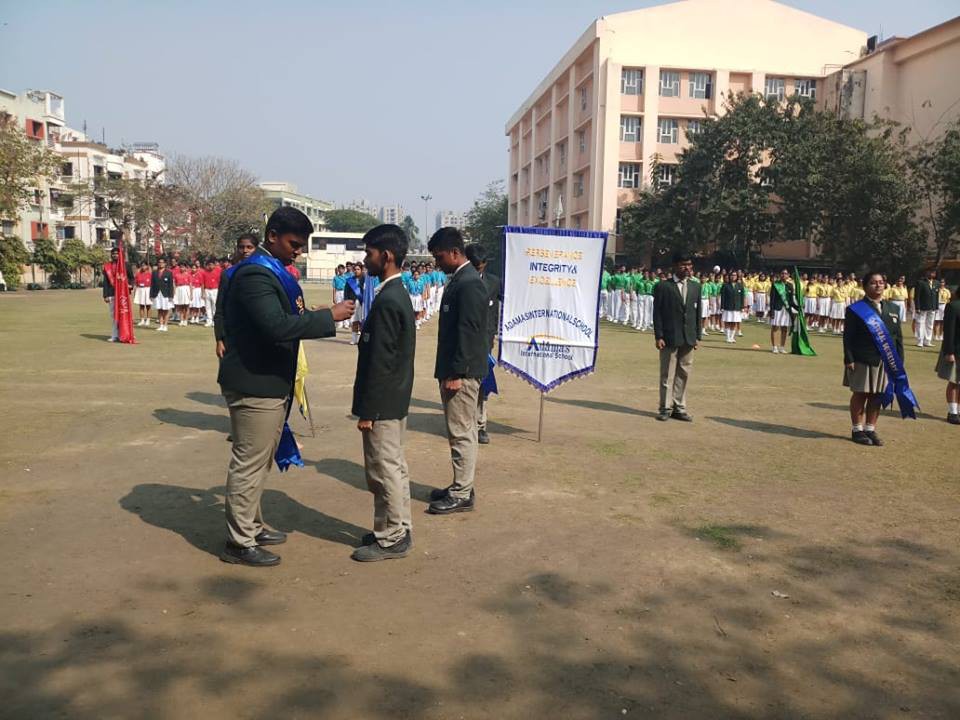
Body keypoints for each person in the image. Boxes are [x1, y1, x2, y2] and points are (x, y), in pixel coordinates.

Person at [217, 207, 355, 567]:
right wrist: (328, 317)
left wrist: (314, 314)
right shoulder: (255, 274)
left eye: (303, 245)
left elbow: (284, 318)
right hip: (255, 382)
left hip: (270, 380)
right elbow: (276, 327)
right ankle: (239, 542)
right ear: (273, 236)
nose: (299, 251)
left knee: (260, 460)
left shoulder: (273, 270)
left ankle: (251, 525)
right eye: (294, 244)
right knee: (250, 462)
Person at [350, 225, 417, 562]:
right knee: (394, 467)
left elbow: (380, 361)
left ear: (386, 256)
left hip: (383, 402)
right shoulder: (394, 293)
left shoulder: (389, 299)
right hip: (392, 399)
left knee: (383, 470)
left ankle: (391, 537)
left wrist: (369, 410)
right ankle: (397, 527)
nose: (365, 259)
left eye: (369, 253)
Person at [426, 227, 489, 514]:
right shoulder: (461, 280)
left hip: (461, 373)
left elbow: (469, 332)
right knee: (461, 430)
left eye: (439, 257)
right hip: (455, 369)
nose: (437, 263)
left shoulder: (469, 283)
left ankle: (462, 492)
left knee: (461, 431)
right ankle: (461, 484)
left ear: (455, 252)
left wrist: (457, 373)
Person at [843, 271, 905, 446]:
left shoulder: (893, 309)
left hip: (886, 360)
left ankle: (870, 429)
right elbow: (848, 337)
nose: (878, 285)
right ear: (865, 286)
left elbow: (898, 338)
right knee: (861, 393)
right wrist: (849, 358)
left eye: (881, 282)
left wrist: (899, 361)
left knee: (878, 395)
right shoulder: (856, 309)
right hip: (863, 358)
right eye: (873, 282)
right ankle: (857, 430)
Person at [653, 252, 702, 422]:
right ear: (675, 266)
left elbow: (697, 313)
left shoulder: (696, 286)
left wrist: (697, 336)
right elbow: (657, 313)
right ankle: (665, 408)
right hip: (669, 336)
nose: (687, 268)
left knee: (684, 372)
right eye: (683, 265)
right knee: (667, 373)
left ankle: (679, 407)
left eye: (689, 265)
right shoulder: (663, 287)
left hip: (688, 337)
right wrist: (659, 336)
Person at [465, 243, 500, 445]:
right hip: (465, 342)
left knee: (482, 383)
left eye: (482, 265)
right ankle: (466, 423)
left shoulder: (494, 282)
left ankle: (480, 425)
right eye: (475, 265)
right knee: (466, 384)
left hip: (485, 341)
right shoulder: (459, 283)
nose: (479, 268)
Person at [214, 233, 259, 358]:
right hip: (234, 335)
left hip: (259, 335)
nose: (245, 250)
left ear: (256, 249)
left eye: (249, 247)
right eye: (241, 247)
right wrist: (219, 339)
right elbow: (220, 308)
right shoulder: (228, 274)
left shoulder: (266, 272)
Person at [936, 285, 960, 424]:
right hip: (955, 351)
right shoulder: (953, 306)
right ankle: (953, 412)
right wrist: (949, 351)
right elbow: (949, 331)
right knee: (954, 382)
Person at [102, 247, 133, 342]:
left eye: (117, 253)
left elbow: (131, 278)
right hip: (112, 293)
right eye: (113, 253)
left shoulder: (126, 265)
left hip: (123, 294)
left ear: (120, 254)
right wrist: (105, 295)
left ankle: (126, 333)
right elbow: (105, 282)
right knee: (114, 315)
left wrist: (130, 285)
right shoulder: (107, 266)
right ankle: (115, 335)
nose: (115, 255)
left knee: (124, 313)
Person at [769, 269, 797, 353]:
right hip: (777, 308)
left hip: (786, 309)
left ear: (788, 275)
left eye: (785, 273)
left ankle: (782, 347)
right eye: (782, 273)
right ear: (780, 275)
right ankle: (774, 347)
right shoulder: (775, 284)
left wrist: (797, 307)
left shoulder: (790, 285)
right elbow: (772, 299)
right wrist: (772, 310)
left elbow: (791, 301)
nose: (784, 275)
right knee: (775, 327)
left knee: (784, 328)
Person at [913, 269, 938, 348]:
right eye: (931, 272)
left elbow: (937, 296)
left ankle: (927, 341)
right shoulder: (920, 282)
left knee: (930, 324)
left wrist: (936, 307)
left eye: (933, 273)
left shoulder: (936, 283)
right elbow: (917, 296)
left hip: (932, 307)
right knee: (920, 323)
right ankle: (920, 341)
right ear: (927, 273)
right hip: (922, 307)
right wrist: (917, 307)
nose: (932, 274)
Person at [150, 257, 175, 332]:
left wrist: (171, 296)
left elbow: (171, 285)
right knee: (159, 310)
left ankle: (165, 325)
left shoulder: (169, 272)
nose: (161, 264)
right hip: (157, 293)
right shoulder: (154, 272)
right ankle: (161, 325)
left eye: (162, 262)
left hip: (166, 294)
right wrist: (151, 295)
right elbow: (152, 284)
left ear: (165, 264)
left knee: (166, 310)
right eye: (159, 262)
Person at [720, 271, 745, 343]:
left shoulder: (740, 285)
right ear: (729, 276)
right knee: (728, 322)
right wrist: (722, 306)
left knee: (734, 322)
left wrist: (742, 307)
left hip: (736, 307)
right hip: (728, 306)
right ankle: (728, 337)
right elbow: (723, 297)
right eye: (732, 275)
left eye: (735, 275)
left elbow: (742, 297)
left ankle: (732, 337)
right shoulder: (725, 285)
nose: (733, 277)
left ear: (737, 276)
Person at [344, 263, 365, 345]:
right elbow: (346, 292)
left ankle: (360, 340)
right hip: (352, 303)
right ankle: (354, 339)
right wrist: (346, 302)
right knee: (354, 321)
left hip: (362, 303)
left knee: (361, 321)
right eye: (355, 269)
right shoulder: (350, 280)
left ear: (361, 270)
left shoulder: (365, 280)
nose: (356, 271)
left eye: (358, 269)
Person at [202, 258, 221, 328]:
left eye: (212, 265)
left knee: (214, 306)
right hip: (207, 290)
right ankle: (209, 321)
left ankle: (214, 321)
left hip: (215, 290)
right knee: (207, 306)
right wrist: (203, 293)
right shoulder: (204, 273)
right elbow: (202, 284)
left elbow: (220, 283)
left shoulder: (217, 272)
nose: (210, 266)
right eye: (209, 265)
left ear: (214, 265)